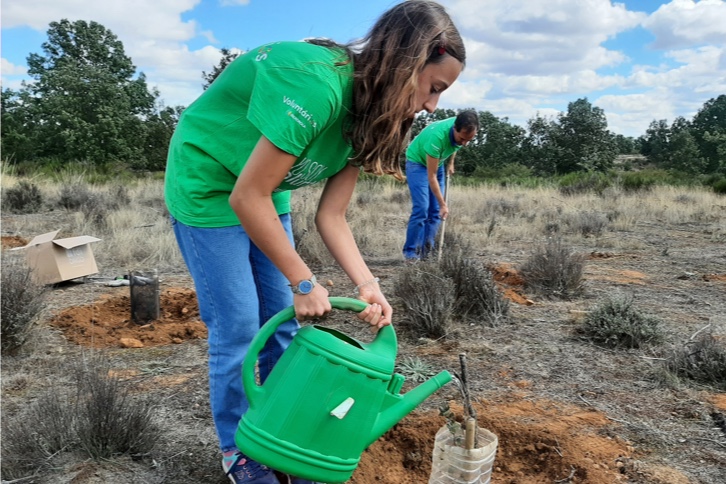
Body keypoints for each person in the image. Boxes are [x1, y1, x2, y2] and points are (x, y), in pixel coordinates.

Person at [163, 1, 466, 483]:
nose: (432, 106)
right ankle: (238, 451)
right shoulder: (317, 84)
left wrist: (368, 284)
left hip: (264, 192)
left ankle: (287, 431)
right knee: (240, 326)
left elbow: (332, 216)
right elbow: (246, 195)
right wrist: (304, 282)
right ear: (409, 61)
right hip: (208, 184)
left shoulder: (369, 114)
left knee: (282, 326)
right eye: (434, 88)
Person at [402, 110, 479, 262]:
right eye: (462, 139)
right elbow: (431, 177)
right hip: (418, 163)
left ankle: (427, 253)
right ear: (454, 129)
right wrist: (443, 204)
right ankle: (411, 253)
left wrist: (451, 163)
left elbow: (455, 146)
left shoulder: (463, 129)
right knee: (422, 209)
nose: (464, 143)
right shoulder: (437, 138)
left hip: (439, 163)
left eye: (468, 140)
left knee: (436, 213)